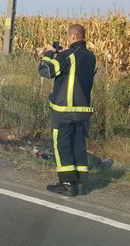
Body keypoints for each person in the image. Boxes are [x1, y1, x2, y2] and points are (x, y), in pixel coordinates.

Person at [37, 23, 97, 197]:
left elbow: (45, 70)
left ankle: (66, 184)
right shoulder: (91, 57)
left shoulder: (67, 56)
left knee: (62, 143)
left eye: (67, 36)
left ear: (73, 37)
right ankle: (80, 182)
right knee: (78, 143)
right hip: (83, 109)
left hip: (64, 109)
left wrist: (50, 52)